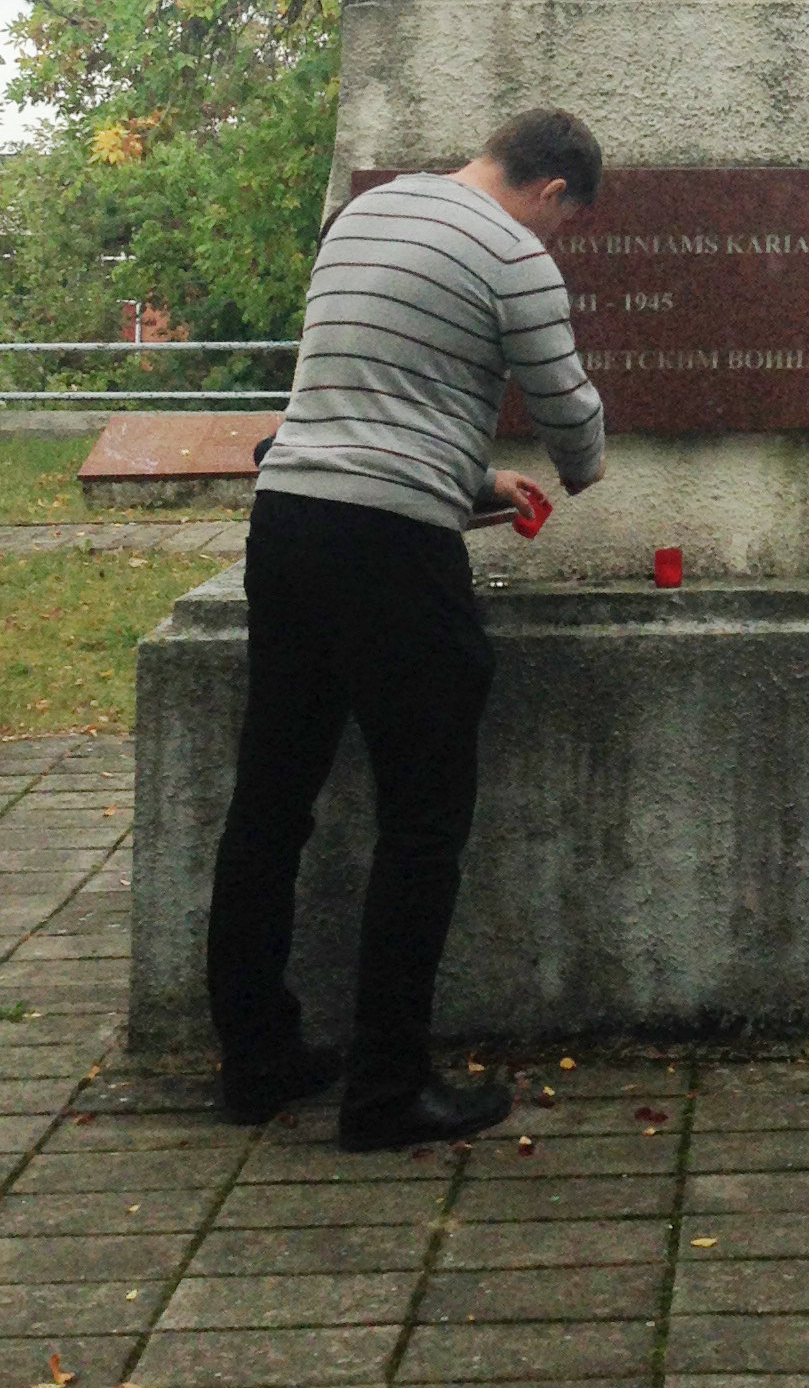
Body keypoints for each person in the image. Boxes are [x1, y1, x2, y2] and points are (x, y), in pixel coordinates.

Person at [205, 108, 608, 1150]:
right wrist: (580, 467)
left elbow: (364, 405)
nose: (555, 239)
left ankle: (255, 1062)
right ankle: (387, 1090)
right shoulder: (514, 249)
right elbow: (569, 413)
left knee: (271, 801)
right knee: (423, 816)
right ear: (553, 191)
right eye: (565, 222)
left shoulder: (366, 213)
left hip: (288, 520)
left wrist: (472, 481)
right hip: (390, 555)